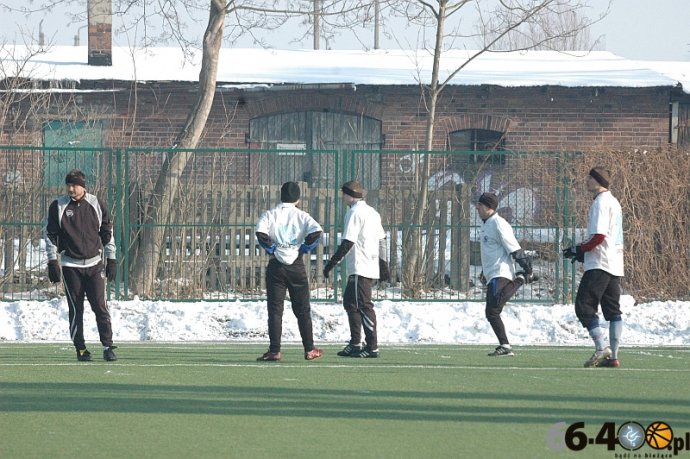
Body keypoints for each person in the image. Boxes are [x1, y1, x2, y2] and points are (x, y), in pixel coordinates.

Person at [45, 169, 118, 362]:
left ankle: (107, 346)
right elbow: (50, 235)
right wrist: (53, 261)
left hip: (95, 265)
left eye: (74, 185)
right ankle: (81, 349)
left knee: (100, 307)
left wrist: (111, 259)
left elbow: (107, 233)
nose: (70, 188)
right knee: (76, 309)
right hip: (71, 266)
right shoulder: (58, 206)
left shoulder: (96, 204)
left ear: (82, 186)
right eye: (68, 185)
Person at [255, 182, 324, 361]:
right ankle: (309, 349)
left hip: (276, 265)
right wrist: (302, 248)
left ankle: (274, 350)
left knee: (275, 310)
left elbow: (260, 233)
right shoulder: (302, 216)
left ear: (281, 196)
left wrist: (273, 250)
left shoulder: (270, 215)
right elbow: (317, 232)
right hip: (296, 266)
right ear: (298, 199)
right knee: (302, 310)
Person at [563, 167, 624, 368]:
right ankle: (613, 357)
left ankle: (601, 347)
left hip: (600, 263)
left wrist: (579, 249)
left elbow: (598, 236)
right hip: (614, 262)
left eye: (589, 177)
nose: (586, 180)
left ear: (598, 181)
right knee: (613, 310)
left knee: (584, 305)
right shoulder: (614, 201)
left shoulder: (600, 202)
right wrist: (583, 252)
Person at [323, 180, 389, 359]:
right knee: (350, 303)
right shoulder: (372, 212)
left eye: (343, 194)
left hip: (361, 266)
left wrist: (332, 263)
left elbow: (348, 242)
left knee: (364, 305)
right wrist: (383, 264)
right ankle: (355, 343)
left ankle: (372, 346)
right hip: (368, 264)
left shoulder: (354, 213)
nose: (341, 197)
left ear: (350, 194)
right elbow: (382, 239)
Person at [476, 192, 534, 357]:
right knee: (491, 312)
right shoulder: (486, 224)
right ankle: (505, 346)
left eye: (480, 204)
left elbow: (513, 247)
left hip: (500, 273)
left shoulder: (499, 224)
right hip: (492, 273)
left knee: (494, 309)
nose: (477, 207)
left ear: (488, 207)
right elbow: (491, 251)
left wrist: (526, 268)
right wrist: (484, 271)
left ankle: (520, 279)